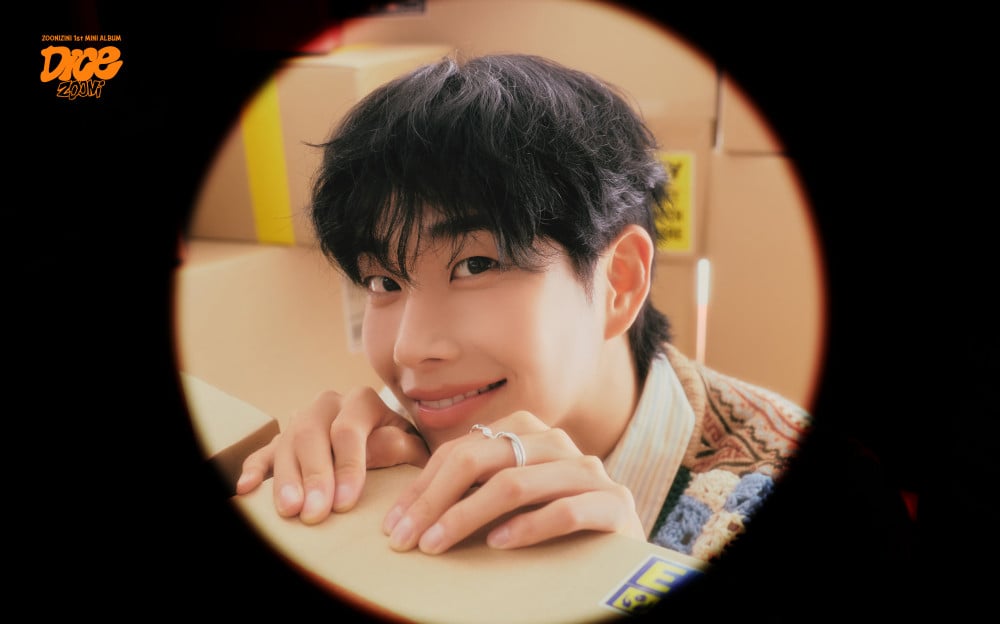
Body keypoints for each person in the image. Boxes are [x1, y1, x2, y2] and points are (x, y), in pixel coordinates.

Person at [235, 52, 812, 562]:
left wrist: (625, 584)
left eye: (475, 265)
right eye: (383, 280)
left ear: (620, 281)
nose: (409, 349)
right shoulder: (388, 450)